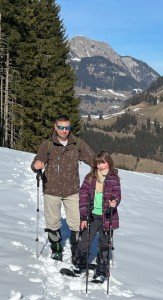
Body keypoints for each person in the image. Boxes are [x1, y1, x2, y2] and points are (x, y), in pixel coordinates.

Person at [31, 115, 95, 262]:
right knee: (52, 223)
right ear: (55, 127)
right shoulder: (47, 145)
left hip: (72, 191)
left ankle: (76, 250)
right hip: (51, 191)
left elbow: (93, 160)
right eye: (61, 127)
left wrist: (107, 171)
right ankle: (57, 249)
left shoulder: (77, 144)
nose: (64, 130)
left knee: (77, 223)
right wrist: (37, 165)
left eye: (67, 127)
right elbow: (37, 160)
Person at [73, 150, 121, 282]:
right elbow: (83, 196)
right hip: (92, 216)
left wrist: (114, 201)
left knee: (104, 244)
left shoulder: (114, 178)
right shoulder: (90, 177)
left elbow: (117, 194)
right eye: (98, 163)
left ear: (108, 162)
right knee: (85, 240)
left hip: (107, 217)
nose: (101, 166)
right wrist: (83, 216)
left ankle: (101, 270)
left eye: (103, 163)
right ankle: (80, 264)